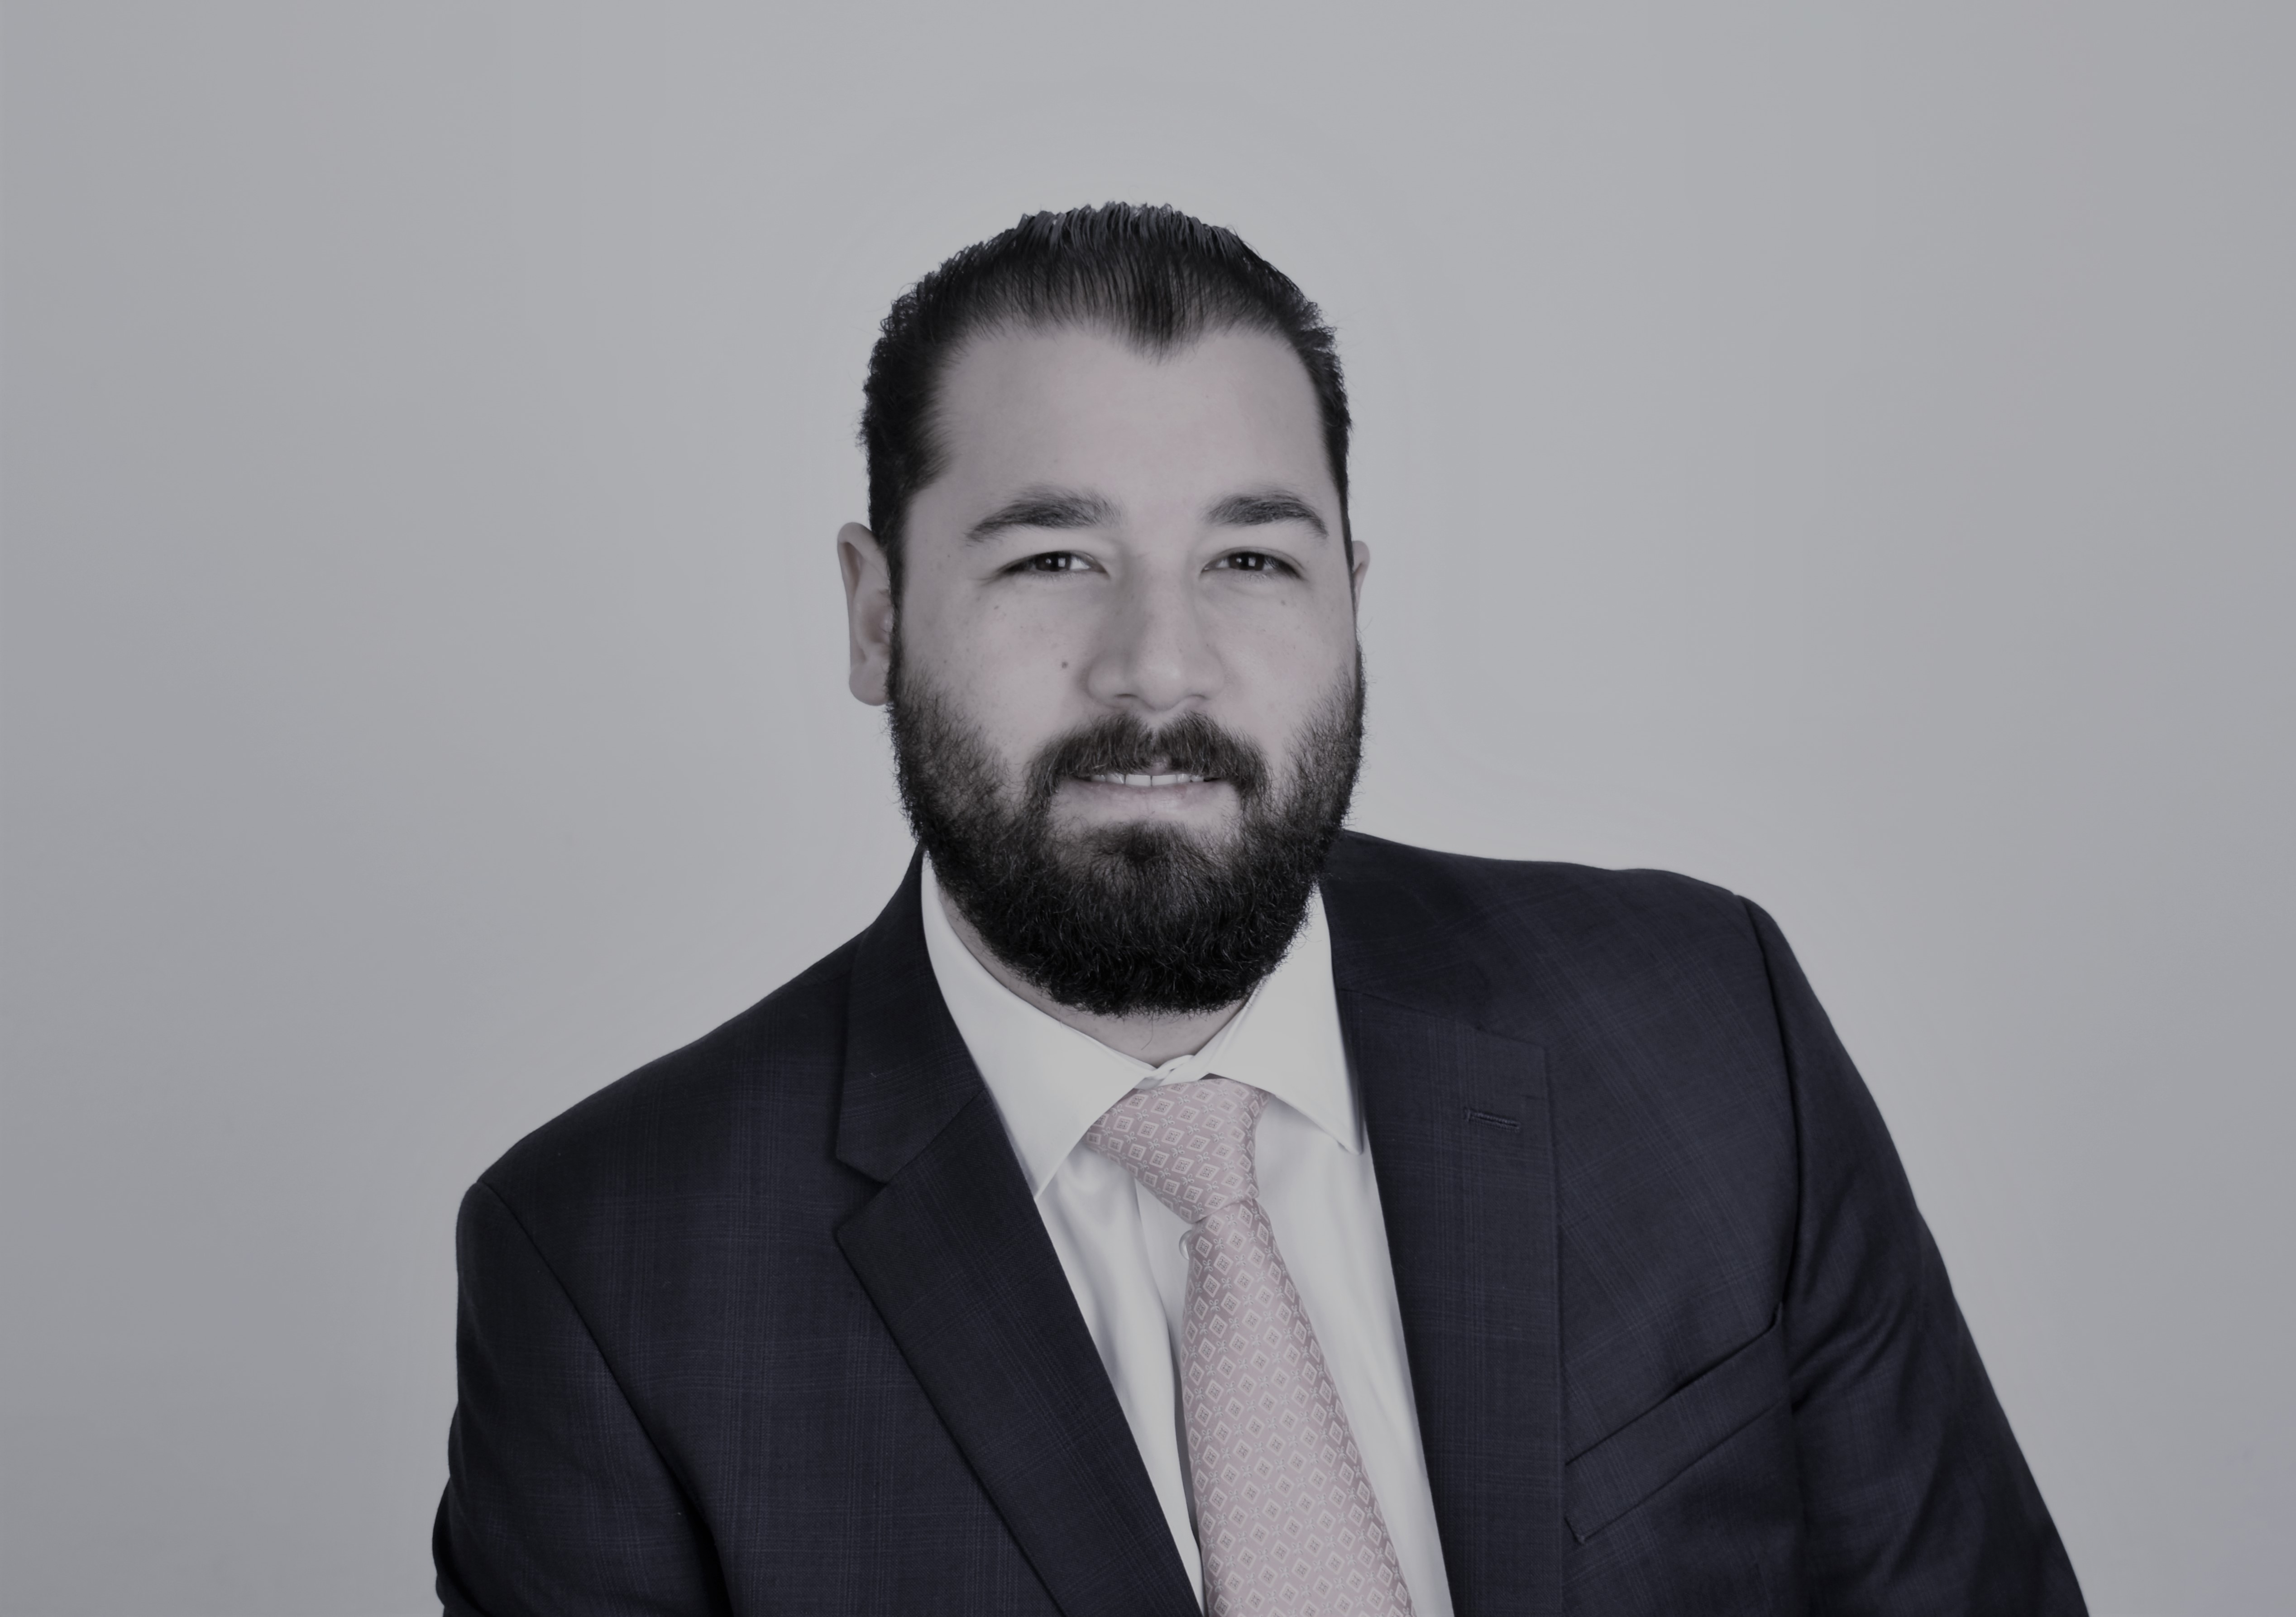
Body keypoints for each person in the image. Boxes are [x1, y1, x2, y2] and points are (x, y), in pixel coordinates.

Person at [433, 204, 2086, 1616]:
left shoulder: (1708, 1030)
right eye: (1052, 560)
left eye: (1252, 561)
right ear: (878, 617)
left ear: (1353, 602)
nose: (1160, 671)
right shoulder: (612, 1277)